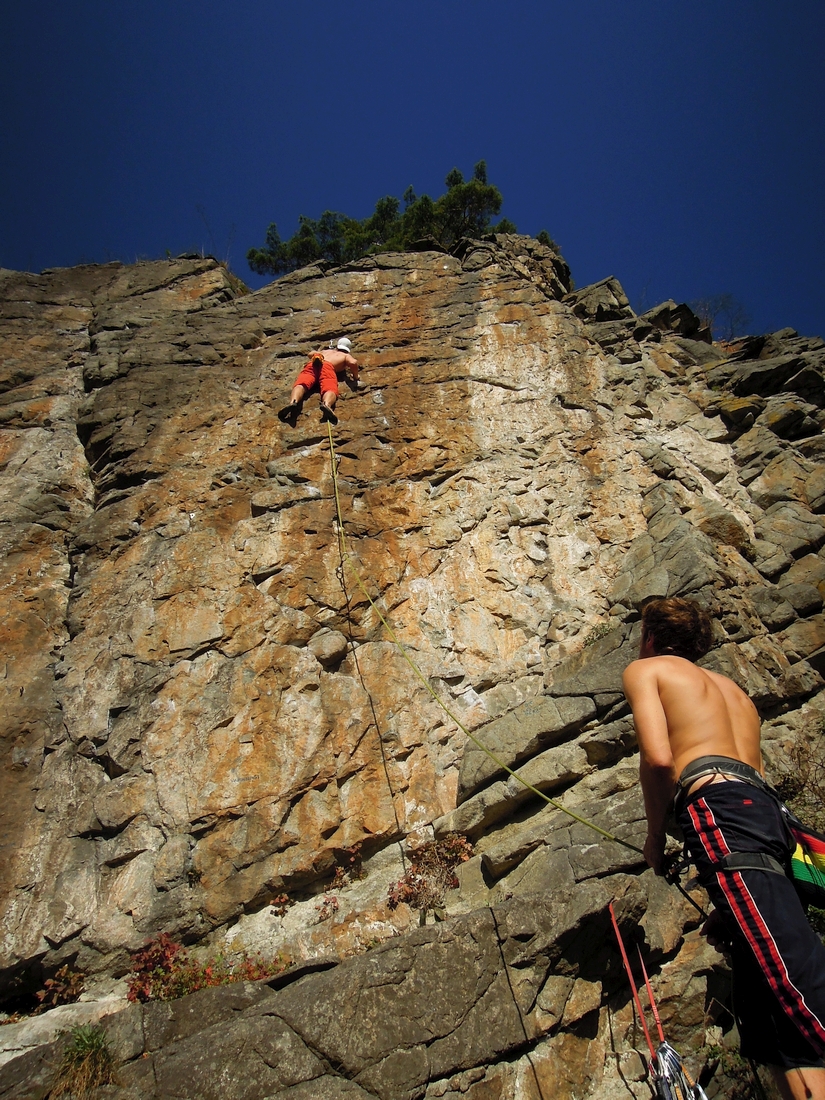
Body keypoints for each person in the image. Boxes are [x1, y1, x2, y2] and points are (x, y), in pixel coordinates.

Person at [622, 596, 825, 1100]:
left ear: (650, 635)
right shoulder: (734, 691)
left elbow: (659, 758)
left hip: (720, 810)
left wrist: (653, 836)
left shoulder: (647, 670)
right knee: (769, 1013)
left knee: (791, 977)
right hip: (768, 820)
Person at [278, 337, 359, 427]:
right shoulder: (345, 355)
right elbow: (353, 362)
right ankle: (327, 405)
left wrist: (319, 354)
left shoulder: (325, 351)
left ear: (337, 346)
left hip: (313, 364)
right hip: (327, 368)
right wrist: (356, 376)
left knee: (302, 383)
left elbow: (310, 354)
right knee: (330, 387)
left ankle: (293, 402)